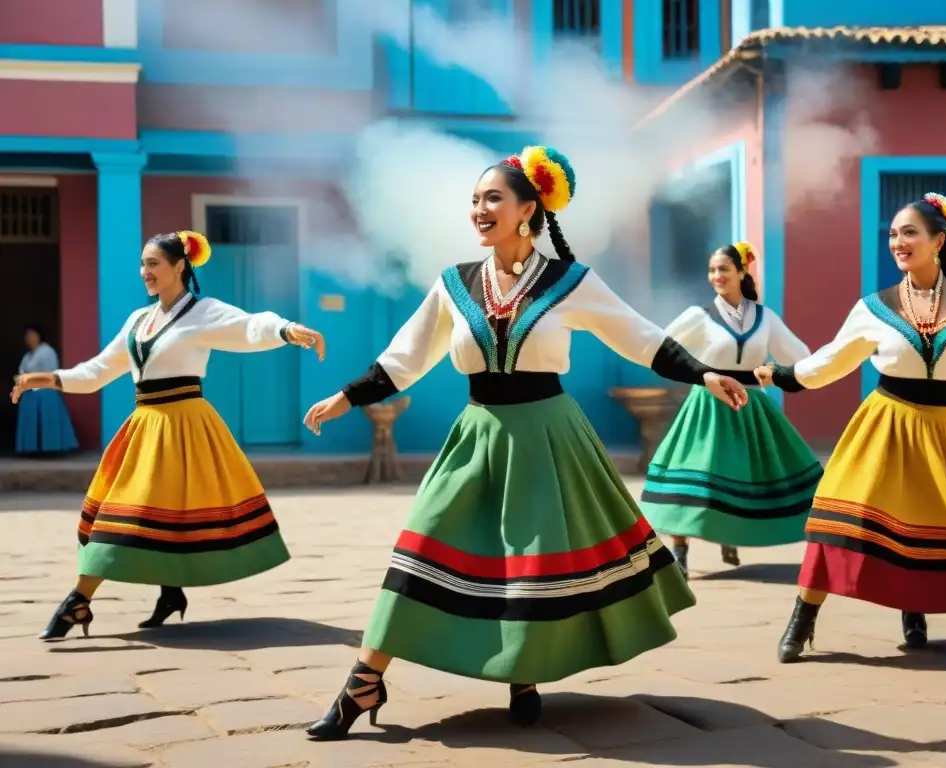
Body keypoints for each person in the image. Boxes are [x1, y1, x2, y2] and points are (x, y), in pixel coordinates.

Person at [300, 146, 750, 740]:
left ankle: (524, 670)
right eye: (474, 200)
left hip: (550, 437)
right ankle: (365, 679)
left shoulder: (571, 282)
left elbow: (640, 337)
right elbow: (406, 356)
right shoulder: (454, 284)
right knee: (419, 552)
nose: (479, 209)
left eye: (492, 198)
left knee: (531, 566)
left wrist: (704, 373)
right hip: (476, 437)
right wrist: (348, 396)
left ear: (527, 209)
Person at [12, 231, 326, 641]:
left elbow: (249, 327)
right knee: (143, 515)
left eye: (154, 264)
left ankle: (78, 600)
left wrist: (286, 330)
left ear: (180, 266)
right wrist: (48, 378)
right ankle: (170, 593)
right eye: (143, 264)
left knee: (134, 516)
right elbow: (99, 370)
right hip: (146, 426)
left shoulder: (203, 311)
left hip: (186, 427)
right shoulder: (139, 320)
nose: (146, 272)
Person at [754, 193, 946, 663]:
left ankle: (913, 606)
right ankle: (803, 617)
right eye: (893, 234)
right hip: (885, 426)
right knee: (836, 521)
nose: (898, 242)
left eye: (910, 233)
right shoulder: (874, 307)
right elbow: (831, 360)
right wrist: (783, 375)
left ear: (939, 240)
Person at [640, 241, 823, 578]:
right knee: (693, 478)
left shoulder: (765, 317)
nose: (716, 276)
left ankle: (731, 534)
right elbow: (660, 347)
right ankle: (680, 551)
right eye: (712, 270)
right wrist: (700, 371)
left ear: (741, 272)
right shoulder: (700, 316)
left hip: (750, 406)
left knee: (753, 476)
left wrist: (776, 374)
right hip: (707, 406)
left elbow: (800, 355)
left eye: (724, 268)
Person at [15, 326, 79, 455]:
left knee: (47, 420)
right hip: (29, 393)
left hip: (45, 392)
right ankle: (32, 449)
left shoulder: (47, 352)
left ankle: (51, 449)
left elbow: (50, 372)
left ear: (39, 336)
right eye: (27, 336)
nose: (29, 338)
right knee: (31, 422)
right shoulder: (28, 356)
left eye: (32, 335)